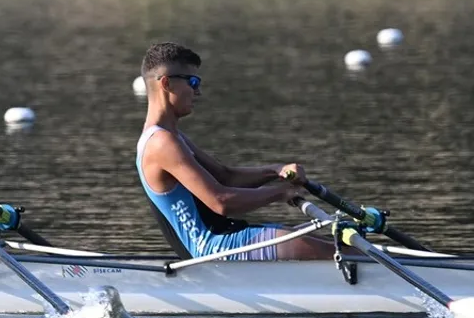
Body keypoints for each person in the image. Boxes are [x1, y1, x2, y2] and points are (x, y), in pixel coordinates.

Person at [135, 42, 335, 261]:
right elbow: (221, 201)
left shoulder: (173, 137)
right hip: (213, 249)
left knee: (333, 244)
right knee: (340, 253)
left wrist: (276, 171)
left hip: (227, 238)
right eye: (193, 82)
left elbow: (226, 177)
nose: (198, 91)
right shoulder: (161, 143)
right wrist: (280, 193)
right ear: (166, 83)